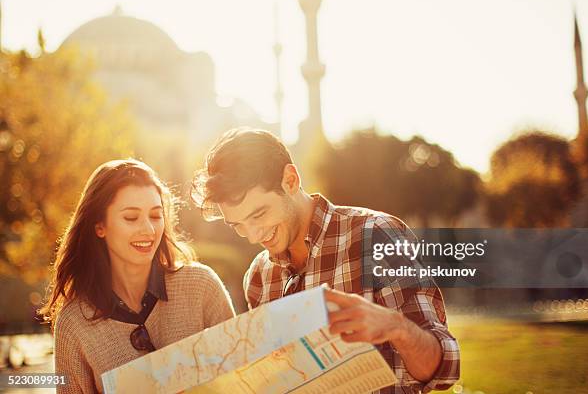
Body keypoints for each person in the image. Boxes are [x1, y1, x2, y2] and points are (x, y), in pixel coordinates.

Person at [191, 128, 460, 394]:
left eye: (259, 214)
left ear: (290, 180)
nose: (253, 235)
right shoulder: (260, 276)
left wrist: (396, 327)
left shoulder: (375, 235)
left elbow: (445, 370)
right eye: (238, 225)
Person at [40, 159, 235, 393]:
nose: (149, 230)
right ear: (99, 226)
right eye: (131, 218)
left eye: (155, 216)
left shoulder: (202, 286)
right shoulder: (74, 324)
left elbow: (245, 376)